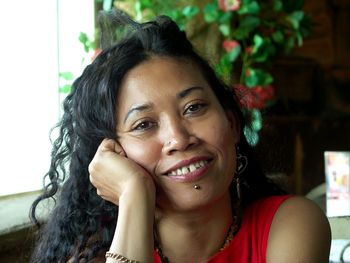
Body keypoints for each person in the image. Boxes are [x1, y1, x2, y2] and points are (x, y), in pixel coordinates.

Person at [30, 9, 331, 263]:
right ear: (112, 155)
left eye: (194, 107)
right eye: (144, 124)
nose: (178, 138)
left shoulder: (291, 225)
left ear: (232, 124)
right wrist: (134, 193)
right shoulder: (95, 254)